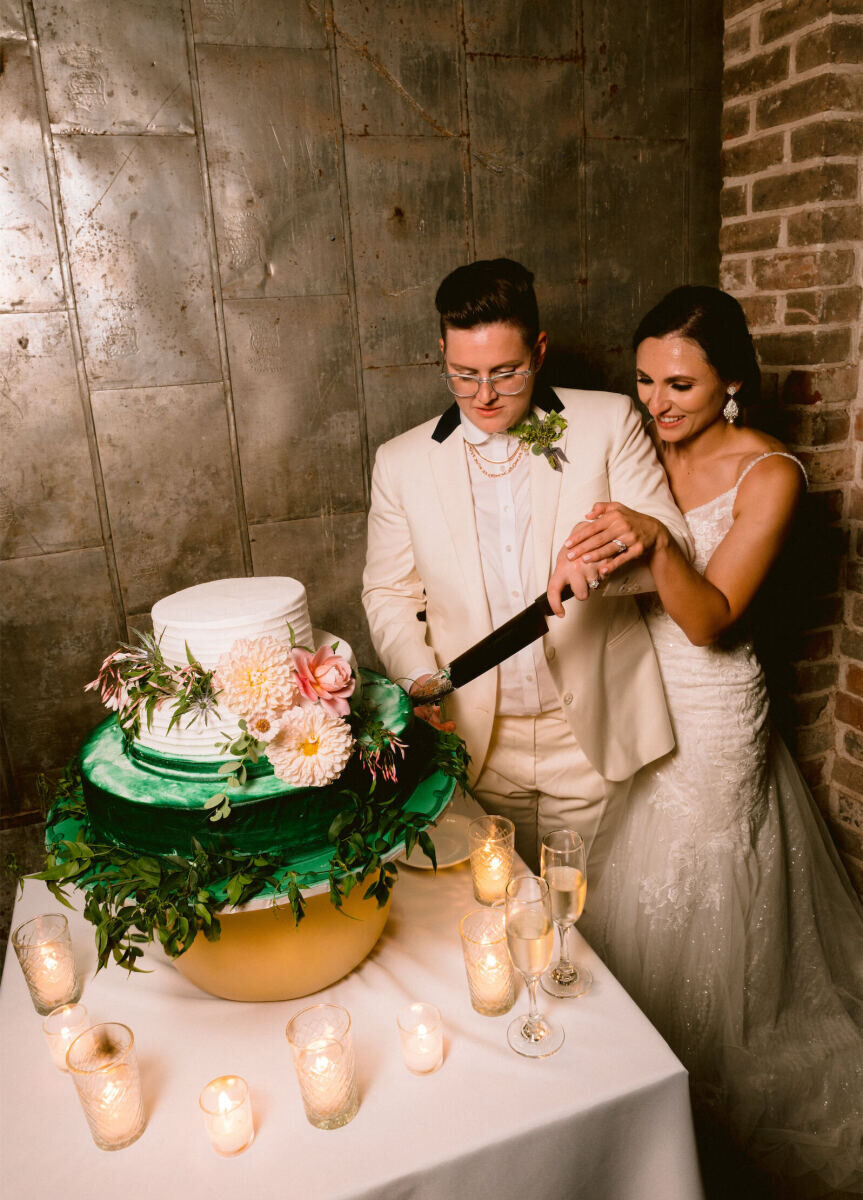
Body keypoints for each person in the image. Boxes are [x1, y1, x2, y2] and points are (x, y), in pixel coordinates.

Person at [549, 285, 863, 1197]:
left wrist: (655, 545)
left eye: (680, 383)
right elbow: (614, 576)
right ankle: (631, 1069)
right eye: (644, 380)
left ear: (731, 381)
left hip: (717, 702)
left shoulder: (770, 475)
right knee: (640, 879)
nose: (657, 403)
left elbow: (711, 618)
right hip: (643, 694)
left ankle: (703, 1070)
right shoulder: (640, 447)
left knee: (706, 873)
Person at [362, 258, 692, 874]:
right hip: (476, 744)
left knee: (594, 932)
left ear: (538, 351)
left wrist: (605, 562)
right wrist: (416, 679)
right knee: (498, 916)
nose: (484, 395)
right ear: (442, 353)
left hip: (594, 737)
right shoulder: (399, 462)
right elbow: (388, 592)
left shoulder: (608, 420)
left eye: (505, 373)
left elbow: (673, 549)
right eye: (463, 375)